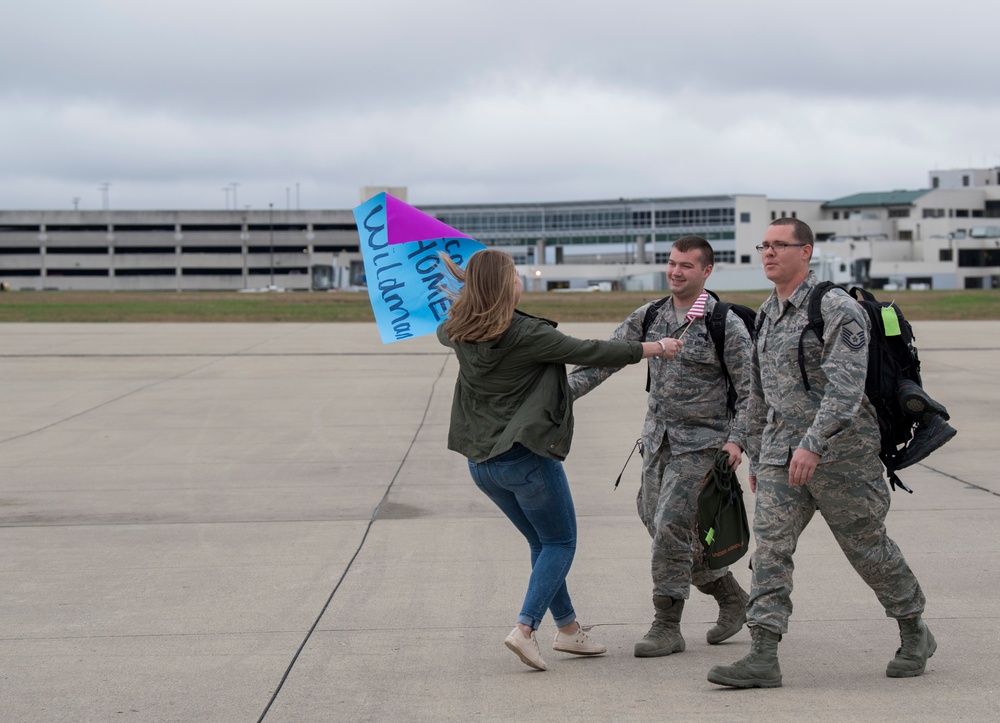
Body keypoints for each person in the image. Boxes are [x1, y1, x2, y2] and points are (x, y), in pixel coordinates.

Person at [708, 218, 935, 689]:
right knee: (770, 551)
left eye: (779, 245)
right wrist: (755, 449)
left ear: (806, 251)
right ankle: (763, 654)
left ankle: (914, 629)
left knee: (867, 549)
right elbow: (757, 394)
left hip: (842, 456)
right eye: (763, 245)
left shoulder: (835, 308)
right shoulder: (768, 312)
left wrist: (813, 444)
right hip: (779, 455)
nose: (768, 253)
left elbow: (847, 389)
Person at [436, 248, 680, 672]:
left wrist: (467, 298)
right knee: (561, 542)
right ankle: (525, 629)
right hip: (524, 458)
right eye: (513, 274)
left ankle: (568, 631)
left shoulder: (456, 330)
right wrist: (655, 347)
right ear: (501, 284)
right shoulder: (527, 334)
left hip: (482, 465)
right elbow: (591, 350)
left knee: (542, 543)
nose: (520, 279)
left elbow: (452, 322)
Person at [568, 236, 753, 658]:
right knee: (656, 519)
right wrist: (562, 393)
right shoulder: (649, 314)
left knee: (670, 525)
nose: (675, 271)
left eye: (686, 266)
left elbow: (750, 391)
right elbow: (608, 356)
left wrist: (738, 440)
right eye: (672, 263)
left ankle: (667, 624)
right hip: (657, 441)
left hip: (704, 446)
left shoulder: (723, 323)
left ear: (706, 272)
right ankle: (730, 595)